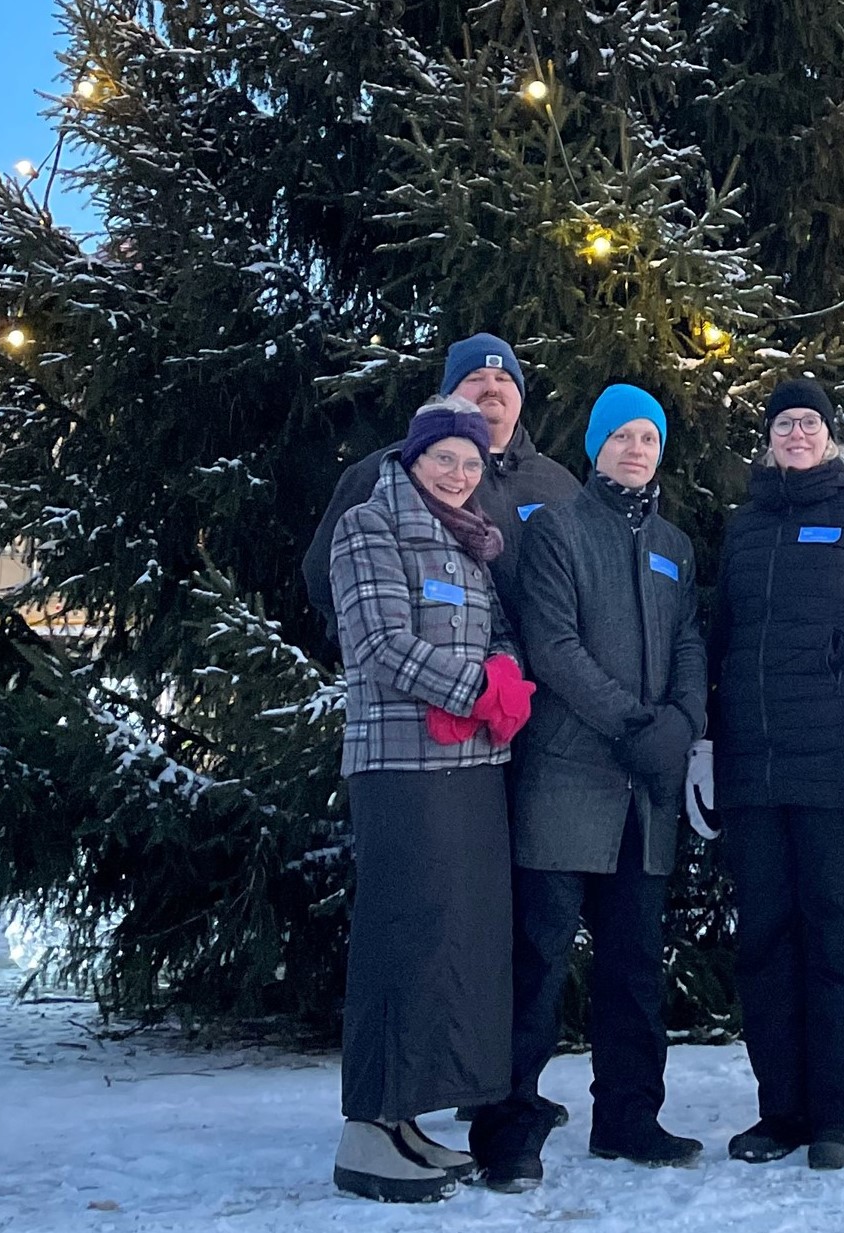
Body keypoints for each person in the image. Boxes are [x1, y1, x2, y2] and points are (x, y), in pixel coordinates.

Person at [469, 385, 708, 1192]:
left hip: (645, 794)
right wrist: (638, 724)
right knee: (537, 958)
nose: (637, 450)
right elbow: (554, 646)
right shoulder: (558, 530)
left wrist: (684, 718)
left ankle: (629, 1116)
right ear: (596, 446)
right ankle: (508, 1124)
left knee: (635, 962)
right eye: (623, 437)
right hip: (568, 779)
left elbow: (688, 639)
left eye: (649, 437)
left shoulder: (674, 542)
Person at [692, 378, 844, 1172]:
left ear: (832, 436)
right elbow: (720, 645)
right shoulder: (746, 527)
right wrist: (706, 745)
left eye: (810, 423)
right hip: (754, 772)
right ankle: (781, 1107)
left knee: (838, 935)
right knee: (765, 941)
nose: (797, 433)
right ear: (768, 437)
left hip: (836, 772)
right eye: (785, 422)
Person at [328, 396, 533, 1202]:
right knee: (400, 934)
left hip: (474, 766)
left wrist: (507, 679)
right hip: (400, 766)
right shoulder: (368, 527)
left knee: (450, 940)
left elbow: (499, 634)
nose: (458, 473)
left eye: (472, 462)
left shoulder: (476, 542)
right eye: (445, 457)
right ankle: (364, 1128)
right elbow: (378, 644)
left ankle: (405, 1115)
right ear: (414, 457)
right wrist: (475, 688)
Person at [305, 332, 579, 644]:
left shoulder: (558, 482)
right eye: (475, 377)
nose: (492, 387)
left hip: (540, 679)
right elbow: (324, 574)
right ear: (450, 394)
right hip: (424, 676)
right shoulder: (395, 468)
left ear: (520, 394)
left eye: (504, 378)